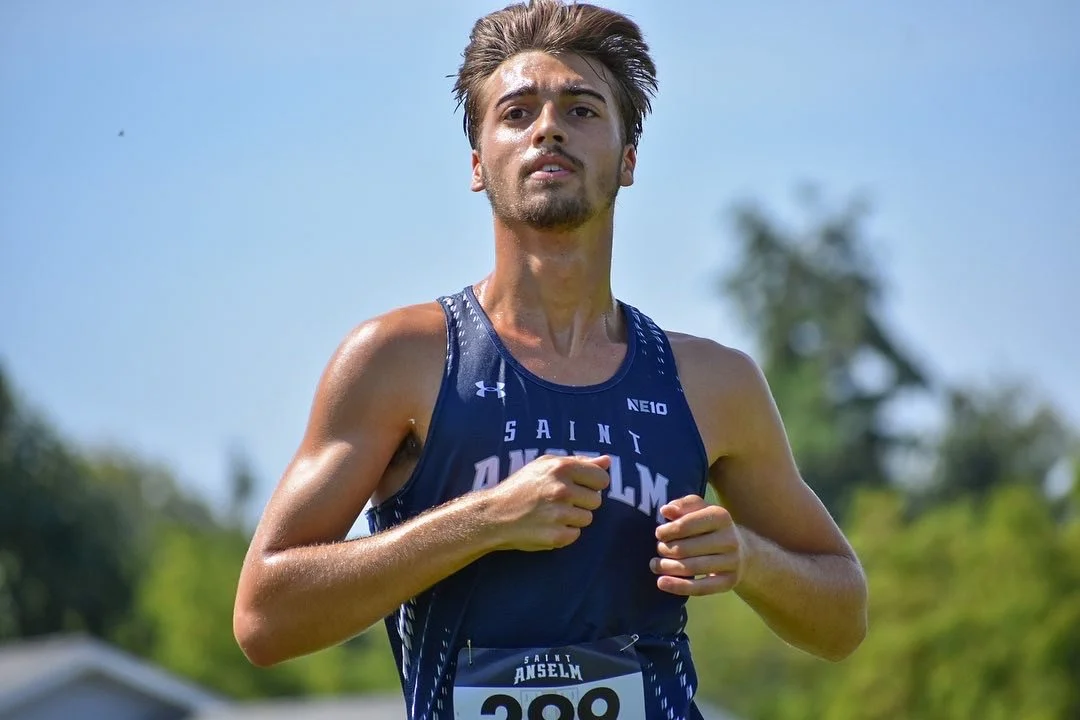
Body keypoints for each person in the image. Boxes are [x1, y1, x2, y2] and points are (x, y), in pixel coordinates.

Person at [233, 1, 868, 718]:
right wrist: (484, 521)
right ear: (477, 163)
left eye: (583, 110)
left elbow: (843, 618)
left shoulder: (713, 382)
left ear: (629, 158)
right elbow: (264, 618)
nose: (548, 128)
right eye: (516, 112)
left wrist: (751, 561)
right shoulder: (398, 360)